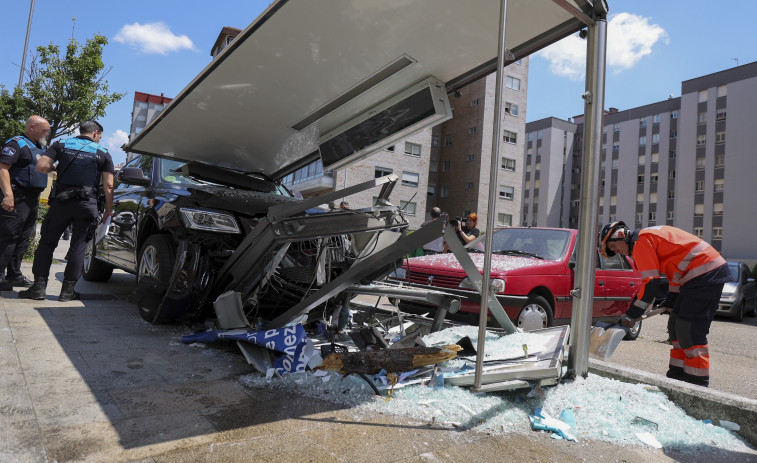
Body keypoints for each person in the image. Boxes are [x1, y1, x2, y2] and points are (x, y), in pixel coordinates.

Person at [598, 221, 732, 387]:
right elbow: (674, 270)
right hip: (692, 277)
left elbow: (650, 286)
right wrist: (672, 298)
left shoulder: (640, 242)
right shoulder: (644, 241)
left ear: (620, 235)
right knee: (675, 327)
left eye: (612, 246)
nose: (616, 251)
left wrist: (632, 314)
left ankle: (696, 384)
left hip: (705, 273)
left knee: (689, 330)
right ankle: (676, 379)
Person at [19, 121, 114, 302]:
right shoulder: (103, 153)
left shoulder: (61, 144)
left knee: (47, 243)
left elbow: (41, 166)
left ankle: (38, 288)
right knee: (79, 247)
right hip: (88, 204)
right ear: (95, 133)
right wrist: (109, 209)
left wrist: (56, 167)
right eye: (100, 136)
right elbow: (109, 185)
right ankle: (67, 292)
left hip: (62, 201)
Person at [0, 116, 51, 291]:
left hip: (32, 199)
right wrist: (8, 195)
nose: (47, 133)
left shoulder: (40, 147)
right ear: (31, 127)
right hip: (17, 197)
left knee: (24, 239)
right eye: (44, 130)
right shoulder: (16, 144)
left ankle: (14, 274)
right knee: (9, 237)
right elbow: (3, 168)